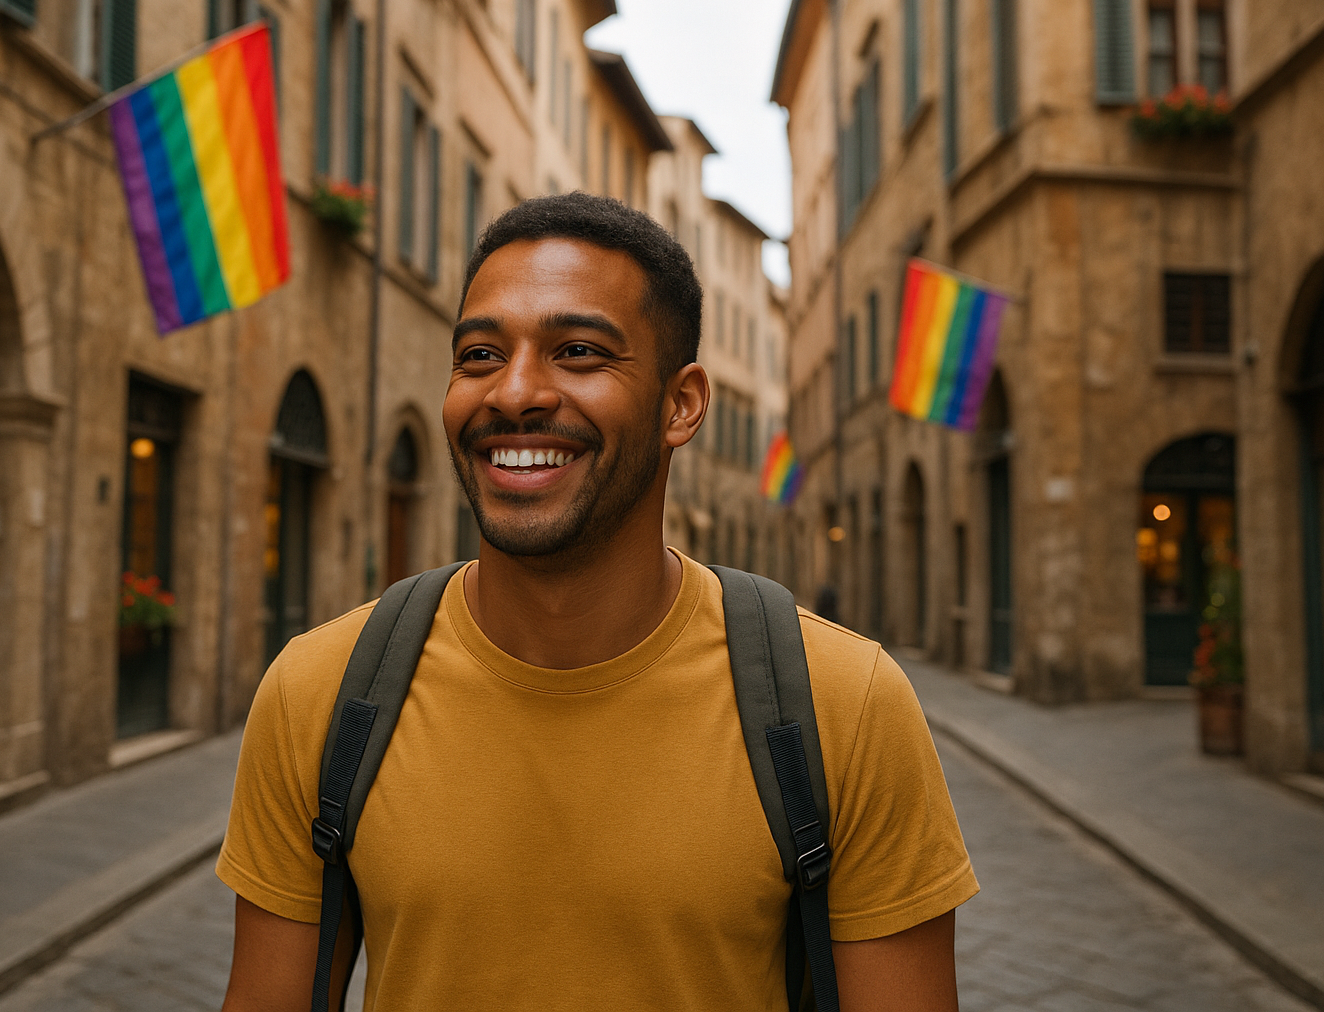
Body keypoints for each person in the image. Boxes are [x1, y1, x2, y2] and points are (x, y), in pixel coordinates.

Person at [217, 193, 978, 1012]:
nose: (512, 393)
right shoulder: (319, 693)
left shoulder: (847, 705)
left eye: (577, 351)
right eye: (478, 354)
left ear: (680, 404)